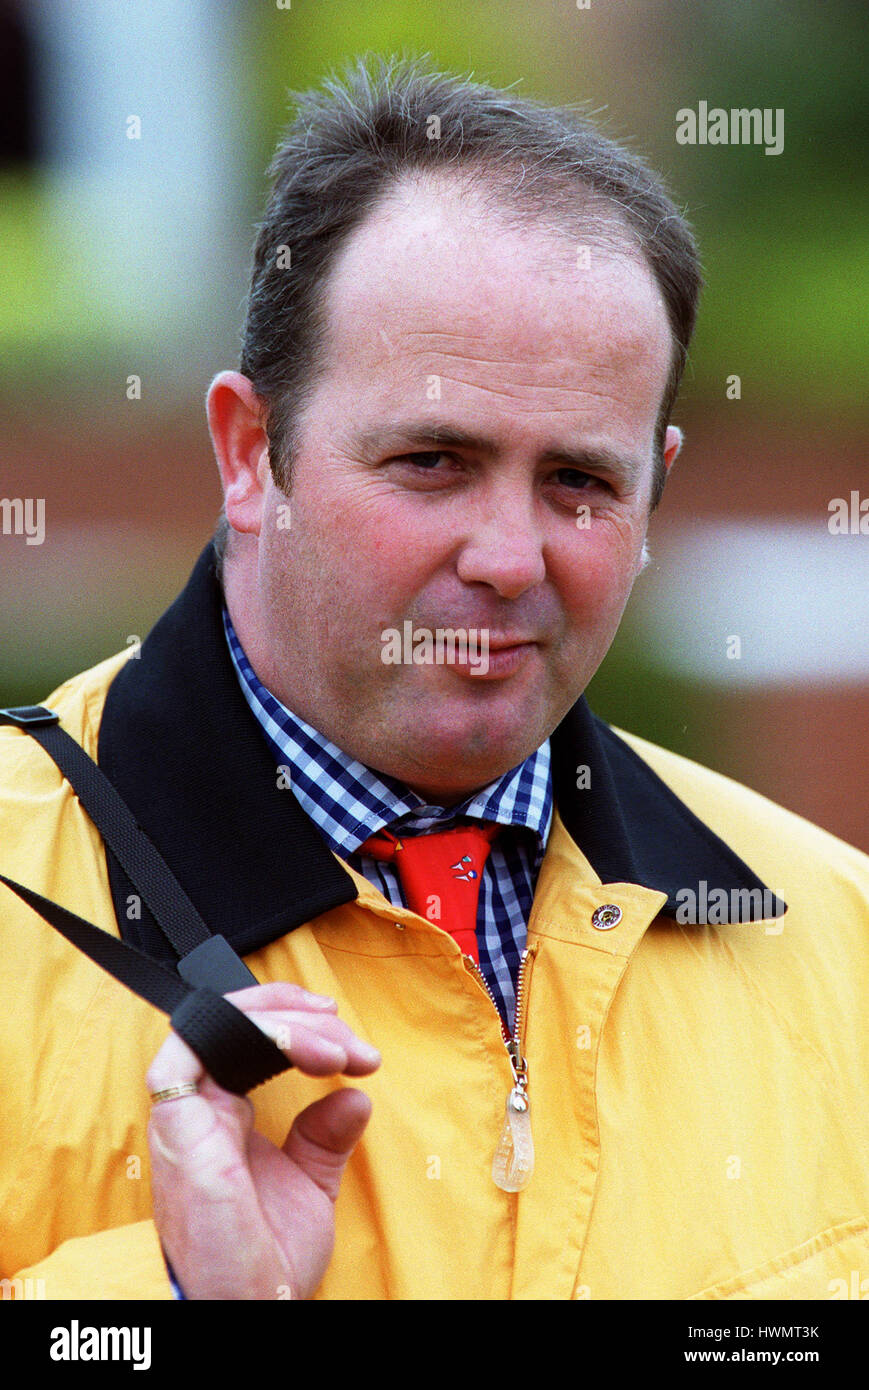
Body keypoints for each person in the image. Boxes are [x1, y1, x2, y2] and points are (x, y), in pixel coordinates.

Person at [1, 57, 867, 1302]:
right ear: (251, 454)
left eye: (579, 481)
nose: (508, 558)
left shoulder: (835, 936)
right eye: (430, 460)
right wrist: (178, 1295)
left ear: (655, 485)